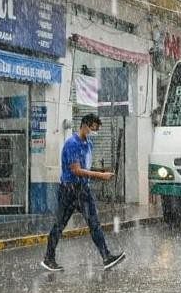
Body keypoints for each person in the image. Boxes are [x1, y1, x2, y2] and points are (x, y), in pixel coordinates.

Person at [40, 113, 125, 272]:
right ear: (85, 126)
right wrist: (100, 176)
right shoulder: (72, 144)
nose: (94, 133)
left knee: (94, 224)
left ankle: (106, 256)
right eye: (93, 129)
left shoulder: (88, 144)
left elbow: (85, 168)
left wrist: (100, 172)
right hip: (69, 190)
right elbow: (76, 170)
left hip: (83, 189)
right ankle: (48, 258)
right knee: (59, 224)